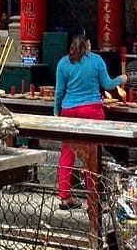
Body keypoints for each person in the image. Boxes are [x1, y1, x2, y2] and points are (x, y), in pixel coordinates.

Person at [53, 30, 127, 209]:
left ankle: (64, 197)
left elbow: (59, 91)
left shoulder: (63, 62)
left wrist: (56, 111)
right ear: (87, 45)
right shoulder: (96, 60)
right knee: (91, 155)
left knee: (67, 152)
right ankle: (91, 199)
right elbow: (108, 84)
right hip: (92, 111)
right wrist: (122, 78)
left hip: (69, 110)